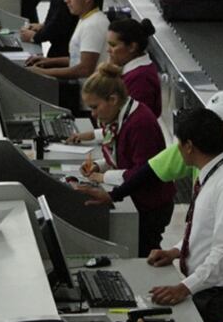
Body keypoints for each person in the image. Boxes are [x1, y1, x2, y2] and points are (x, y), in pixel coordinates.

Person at [81, 90, 223, 230]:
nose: (213, 130)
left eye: (222, 124)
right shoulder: (202, 144)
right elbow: (152, 169)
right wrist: (114, 195)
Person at [144, 108, 223, 322]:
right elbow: (206, 229)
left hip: (221, 297)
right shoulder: (213, 174)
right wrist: (176, 251)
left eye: (178, 143)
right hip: (206, 288)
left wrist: (184, 288)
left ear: (189, 146)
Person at [72, 65, 174, 255]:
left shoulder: (140, 123)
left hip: (151, 205)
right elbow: (122, 156)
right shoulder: (121, 117)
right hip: (139, 198)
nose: (93, 114)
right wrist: (98, 166)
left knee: (145, 253)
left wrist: (103, 178)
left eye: (95, 107)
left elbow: (143, 171)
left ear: (113, 99)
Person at [27, 0, 108, 81]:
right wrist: (48, 61)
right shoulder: (86, 19)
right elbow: (77, 59)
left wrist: (43, 72)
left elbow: (85, 69)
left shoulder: (93, 25)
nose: (66, 0)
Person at [105, 18, 162, 117]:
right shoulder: (133, 73)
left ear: (132, 47)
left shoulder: (140, 79)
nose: (108, 50)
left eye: (113, 45)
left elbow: (136, 121)